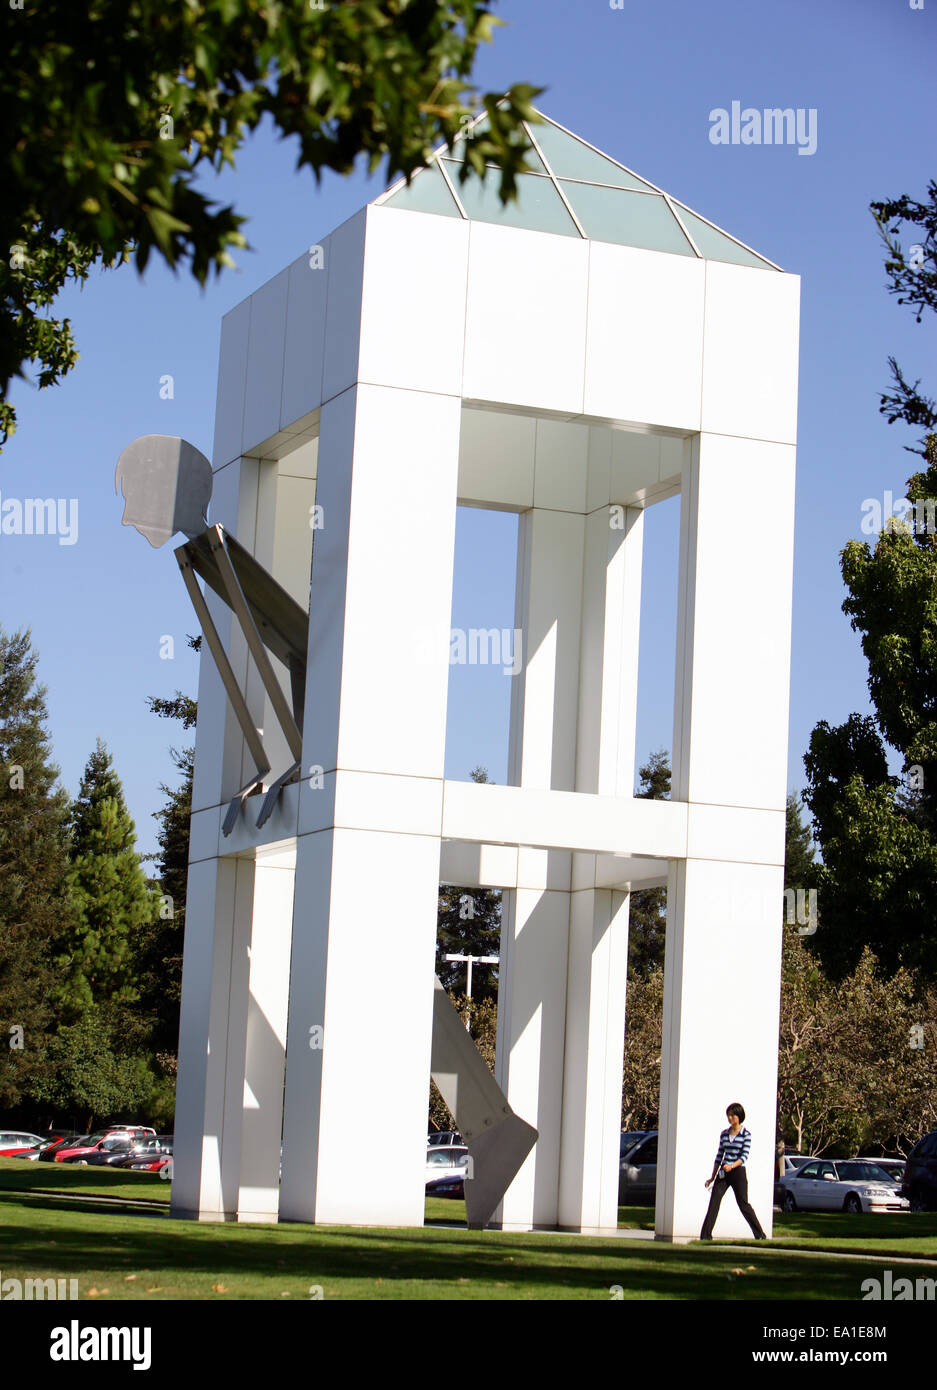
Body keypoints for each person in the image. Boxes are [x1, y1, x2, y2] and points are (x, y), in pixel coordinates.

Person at [700, 1102, 767, 1240]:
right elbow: (719, 1156)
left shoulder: (746, 1134)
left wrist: (732, 1165)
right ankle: (705, 1236)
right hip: (723, 1172)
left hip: (738, 1172)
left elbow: (744, 1156)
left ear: (739, 1116)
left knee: (743, 1204)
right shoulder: (724, 1134)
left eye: (732, 1115)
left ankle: (760, 1235)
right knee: (714, 1202)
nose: (730, 1118)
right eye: (728, 1115)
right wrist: (712, 1177)